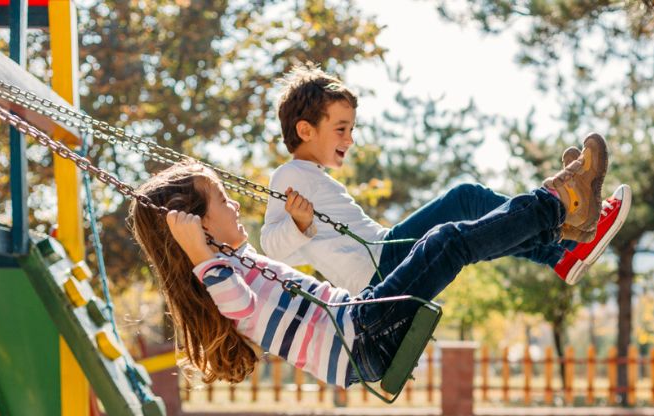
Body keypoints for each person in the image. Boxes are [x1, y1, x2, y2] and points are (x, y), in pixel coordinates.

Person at [129, 139, 608, 388]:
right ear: (199, 227)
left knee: (448, 238)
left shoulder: (230, 262)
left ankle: (559, 227)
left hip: (359, 322)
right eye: (223, 202)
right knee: (446, 241)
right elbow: (240, 304)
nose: (235, 207)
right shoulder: (218, 277)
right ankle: (556, 206)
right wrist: (196, 252)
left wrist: (299, 225)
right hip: (359, 336)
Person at [260, 64, 631, 293]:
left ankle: (563, 251)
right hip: (378, 268)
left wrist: (301, 224)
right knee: (466, 198)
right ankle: (567, 233)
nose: (350, 139)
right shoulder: (289, 175)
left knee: (473, 223)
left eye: (352, 128)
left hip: (381, 257)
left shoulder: (308, 175)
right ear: (306, 130)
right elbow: (271, 249)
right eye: (341, 128)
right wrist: (298, 223)